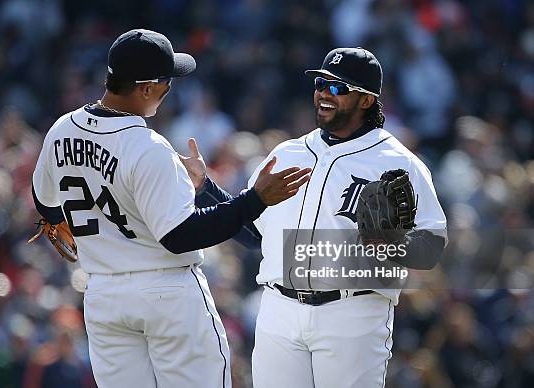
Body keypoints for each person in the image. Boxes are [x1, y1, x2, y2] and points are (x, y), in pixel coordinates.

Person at [31, 29, 311, 388]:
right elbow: (180, 236)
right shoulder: (149, 147)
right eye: (166, 81)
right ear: (146, 88)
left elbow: (45, 201)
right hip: (167, 295)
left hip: (102, 297)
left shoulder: (61, 130)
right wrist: (254, 200)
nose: (170, 89)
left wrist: (59, 224)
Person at [181, 47, 447, 387]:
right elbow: (256, 235)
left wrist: (392, 242)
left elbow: (433, 246)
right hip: (279, 308)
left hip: (353, 311)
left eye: (338, 88)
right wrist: (206, 186)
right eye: (321, 83)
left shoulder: (399, 162)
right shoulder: (287, 152)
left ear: (366, 100)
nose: (323, 93)